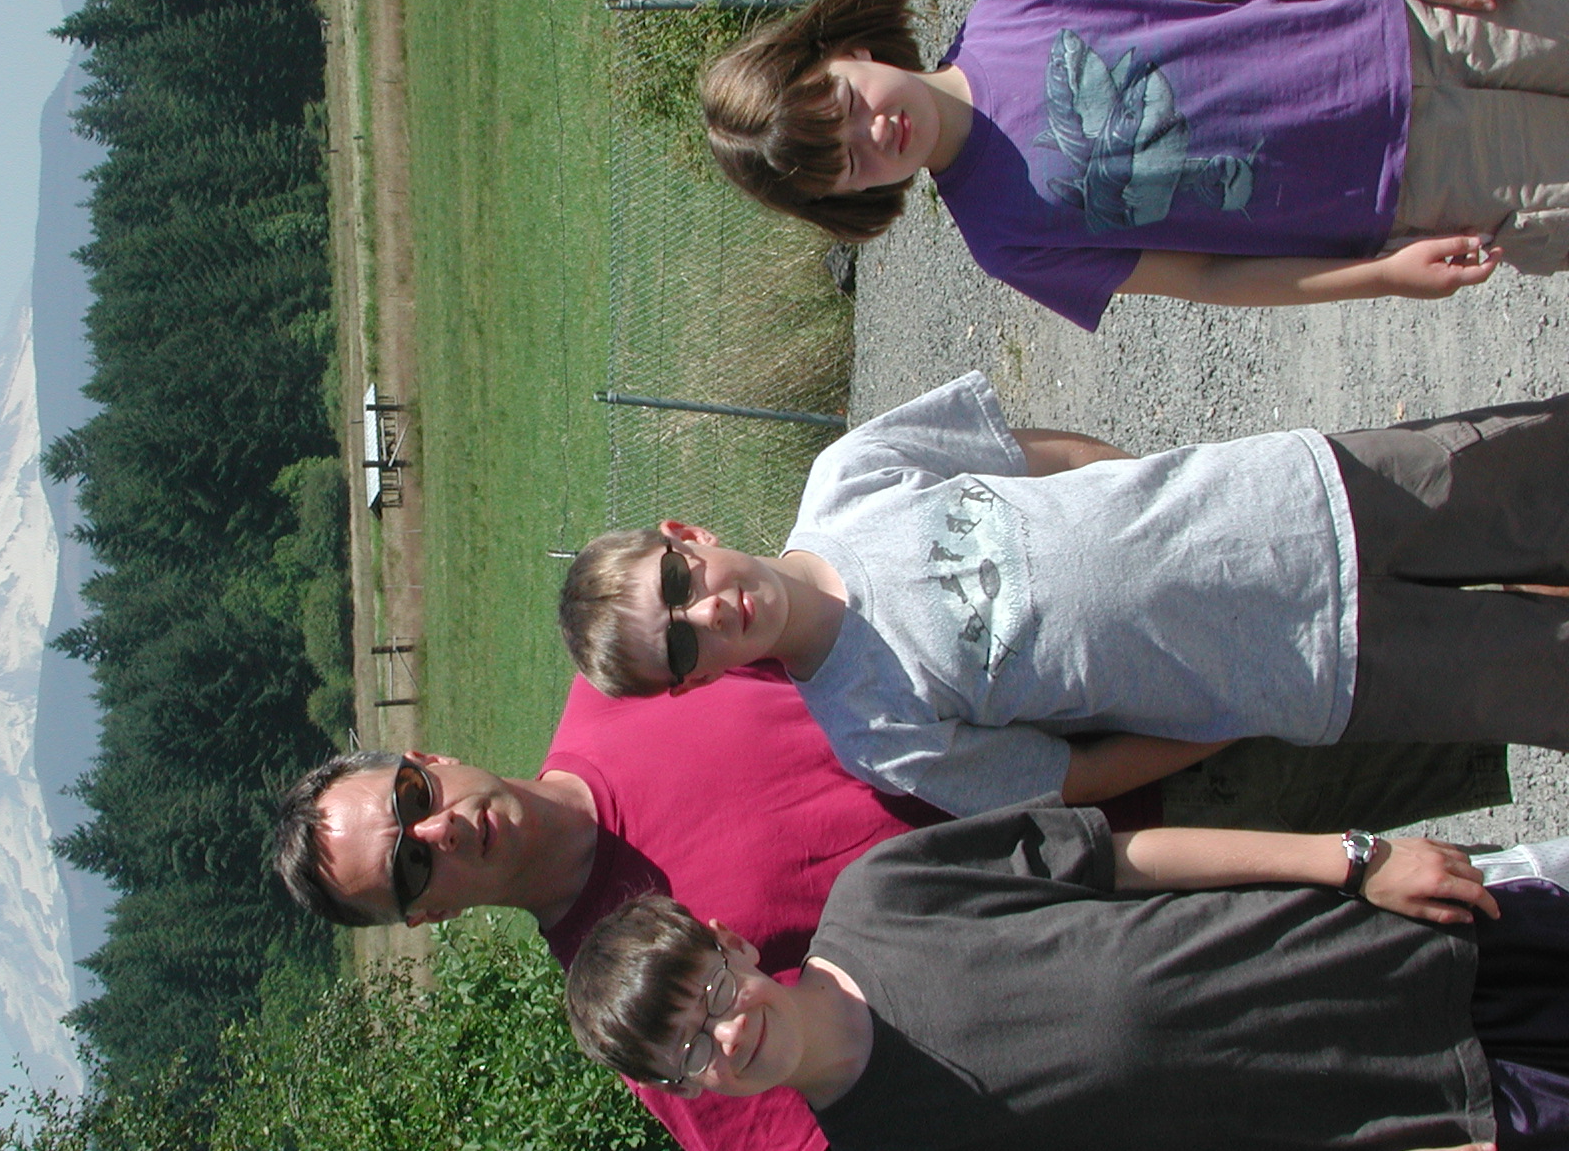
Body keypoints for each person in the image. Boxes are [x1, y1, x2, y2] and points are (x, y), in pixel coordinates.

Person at [559, 371, 1569, 817]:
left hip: (1301, 496)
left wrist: (1162, 499)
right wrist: (1226, 715)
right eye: (681, 646)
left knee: (1535, 480)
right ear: (695, 685)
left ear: (687, 536)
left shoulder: (849, 476)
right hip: (1312, 672)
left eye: (679, 582)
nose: (707, 612)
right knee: (1539, 674)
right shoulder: (873, 734)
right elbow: (1073, 779)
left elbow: (1045, 456)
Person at [564, 811, 1569, 1151]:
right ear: (688, 1092)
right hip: (1401, 1109)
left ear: (731, 943)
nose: (724, 1036)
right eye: (688, 1053)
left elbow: (1121, 858)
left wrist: (1352, 859)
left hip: (1396, 938)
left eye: (712, 997)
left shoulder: (885, 892)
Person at [274, 666, 984, 1151]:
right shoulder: (636, 997)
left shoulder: (622, 682)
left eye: (411, 797)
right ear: (431, 913)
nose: (439, 833)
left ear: (430, 760)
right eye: (410, 868)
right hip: (1038, 942)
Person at [701, 0, 1569, 330]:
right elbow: (1210, 276)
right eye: (849, 163)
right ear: (851, 199)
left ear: (847, 50)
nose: (874, 134)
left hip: (1416, 30)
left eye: (847, 104)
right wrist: (1383, 277)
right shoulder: (1006, 240)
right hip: (1412, 187)